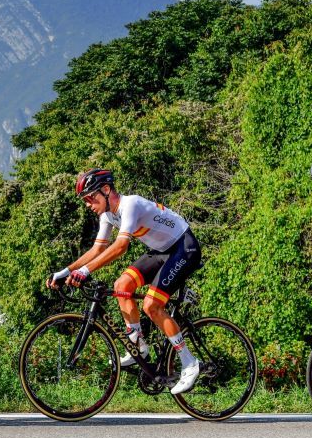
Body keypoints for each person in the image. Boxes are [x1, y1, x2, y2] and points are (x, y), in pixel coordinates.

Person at [48, 169, 202, 395]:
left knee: (151, 305)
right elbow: (98, 248)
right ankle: (138, 345)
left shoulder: (130, 205)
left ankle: (189, 363)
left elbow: (121, 247)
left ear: (107, 190)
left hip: (184, 248)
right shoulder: (107, 215)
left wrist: (85, 271)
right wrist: (66, 271)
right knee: (122, 286)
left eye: (91, 198)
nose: (88, 205)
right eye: (85, 201)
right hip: (161, 251)